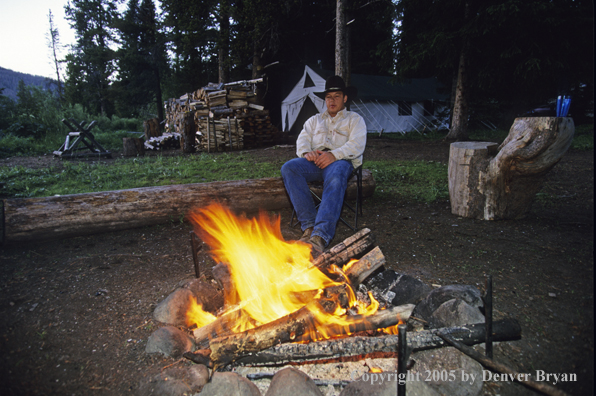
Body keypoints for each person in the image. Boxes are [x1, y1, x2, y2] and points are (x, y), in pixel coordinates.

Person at [281, 75, 367, 254]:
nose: (332, 100)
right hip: (316, 162)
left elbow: (357, 145)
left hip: (341, 162)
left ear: (345, 98)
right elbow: (303, 139)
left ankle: (320, 236)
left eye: (337, 96)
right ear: (325, 99)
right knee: (289, 168)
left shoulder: (355, 120)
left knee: (336, 175)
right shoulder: (314, 120)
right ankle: (310, 227)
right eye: (329, 97)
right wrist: (307, 153)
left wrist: (334, 155)